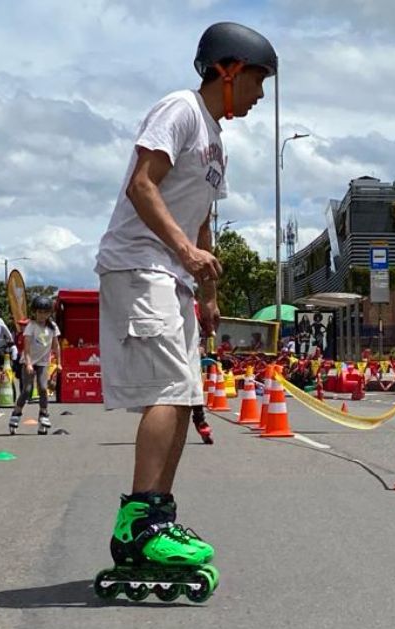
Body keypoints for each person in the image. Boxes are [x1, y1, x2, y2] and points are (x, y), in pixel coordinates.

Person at [92, 21, 275, 596]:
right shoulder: (179, 110)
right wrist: (184, 252)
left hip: (174, 274)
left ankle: (156, 519)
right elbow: (143, 186)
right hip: (139, 264)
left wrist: (209, 292)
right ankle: (140, 525)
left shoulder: (217, 140)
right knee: (169, 391)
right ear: (227, 71)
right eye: (256, 81)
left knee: (187, 392)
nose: (260, 96)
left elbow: (202, 219)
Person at [9, 296, 61, 435]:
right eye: (39, 312)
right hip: (29, 361)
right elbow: (26, 349)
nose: (42, 315)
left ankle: (44, 414)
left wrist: (59, 363)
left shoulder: (53, 327)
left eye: (45, 312)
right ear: (35, 312)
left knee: (43, 388)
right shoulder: (31, 326)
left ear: (49, 313)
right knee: (27, 390)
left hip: (43, 362)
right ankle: (16, 412)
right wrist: (28, 364)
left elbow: (56, 346)